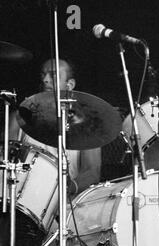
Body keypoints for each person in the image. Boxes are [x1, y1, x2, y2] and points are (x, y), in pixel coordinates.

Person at [8, 58, 101, 195]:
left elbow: (92, 172)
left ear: (69, 84)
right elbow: (4, 159)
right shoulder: (19, 118)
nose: (45, 79)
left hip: (65, 204)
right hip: (21, 198)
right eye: (43, 74)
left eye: (53, 75)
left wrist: (64, 191)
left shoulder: (86, 124)